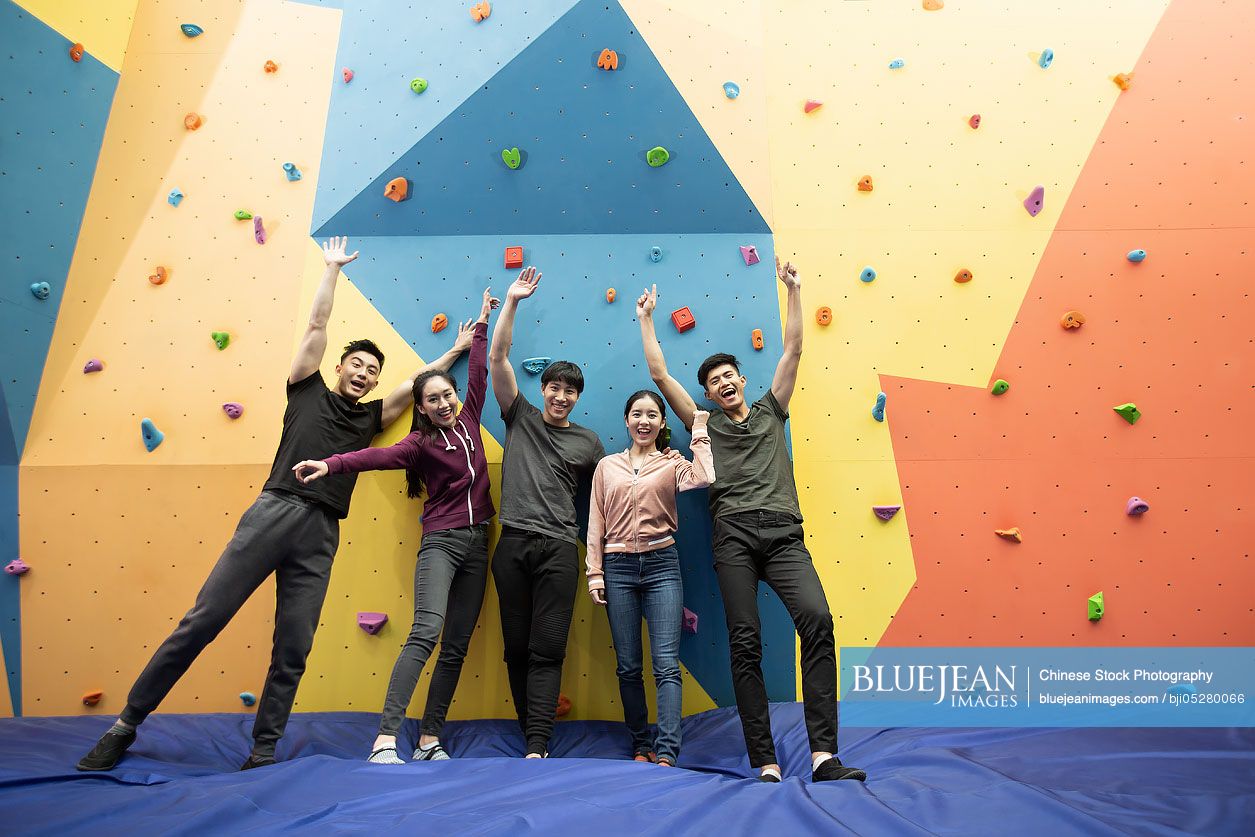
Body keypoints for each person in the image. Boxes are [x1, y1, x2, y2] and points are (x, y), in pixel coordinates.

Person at [76, 238, 475, 772]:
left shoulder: (370, 418)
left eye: (372, 370)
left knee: (294, 647)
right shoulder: (304, 389)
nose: (364, 373)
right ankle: (125, 724)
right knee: (202, 621)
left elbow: (417, 385)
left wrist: (454, 350)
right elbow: (315, 328)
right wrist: (331, 270)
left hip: (322, 533)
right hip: (274, 511)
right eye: (356, 364)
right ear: (339, 367)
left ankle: (263, 750)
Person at [635, 259, 868, 784]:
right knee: (746, 641)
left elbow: (793, 350)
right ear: (710, 395)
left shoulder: (772, 410)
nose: (722, 384)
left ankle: (824, 756)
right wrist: (647, 319)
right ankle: (764, 759)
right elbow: (659, 375)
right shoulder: (702, 424)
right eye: (713, 383)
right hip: (733, 535)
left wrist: (794, 289)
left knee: (818, 622)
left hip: (784, 534)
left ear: (742, 380)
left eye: (728, 376)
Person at [291, 288, 499, 765]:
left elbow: (481, 371)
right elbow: (372, 455)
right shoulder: (418, 446)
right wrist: (330, 464)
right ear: (421, 408)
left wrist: (484, 321)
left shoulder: (470, 417)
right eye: (433, 399)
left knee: (457, 645)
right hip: (442, 544)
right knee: (426, 631)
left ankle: (430, 739)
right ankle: (385, 737)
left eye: (448, 394)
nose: (444, 403)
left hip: (479, 543)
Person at [488, 266, 605, 758]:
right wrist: (513, 302)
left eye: (570, 391)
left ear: (578, 397)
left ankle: (538, 744)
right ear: (544, 390)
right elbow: (497, 356)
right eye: (554, 388)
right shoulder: (519, 415)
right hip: (512, 542)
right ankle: (528, 729)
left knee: (547, 647)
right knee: (515, 647)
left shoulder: (588, 442)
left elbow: (608, 493)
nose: (560, 396)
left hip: (559, 548)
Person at [586, 387, 713, 767]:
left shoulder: (671, 464)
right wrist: (595, 573)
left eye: (652, 415)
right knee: (628, 665)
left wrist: (700, 427)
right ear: (627, 421)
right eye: (637, 414)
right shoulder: (607, 466)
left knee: (666, 665)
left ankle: (668, 751)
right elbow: (596, 522)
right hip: (618, 568)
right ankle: (641, 745)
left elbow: (705, 476)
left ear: (661, 423)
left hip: (662, 565)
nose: (644, 421)